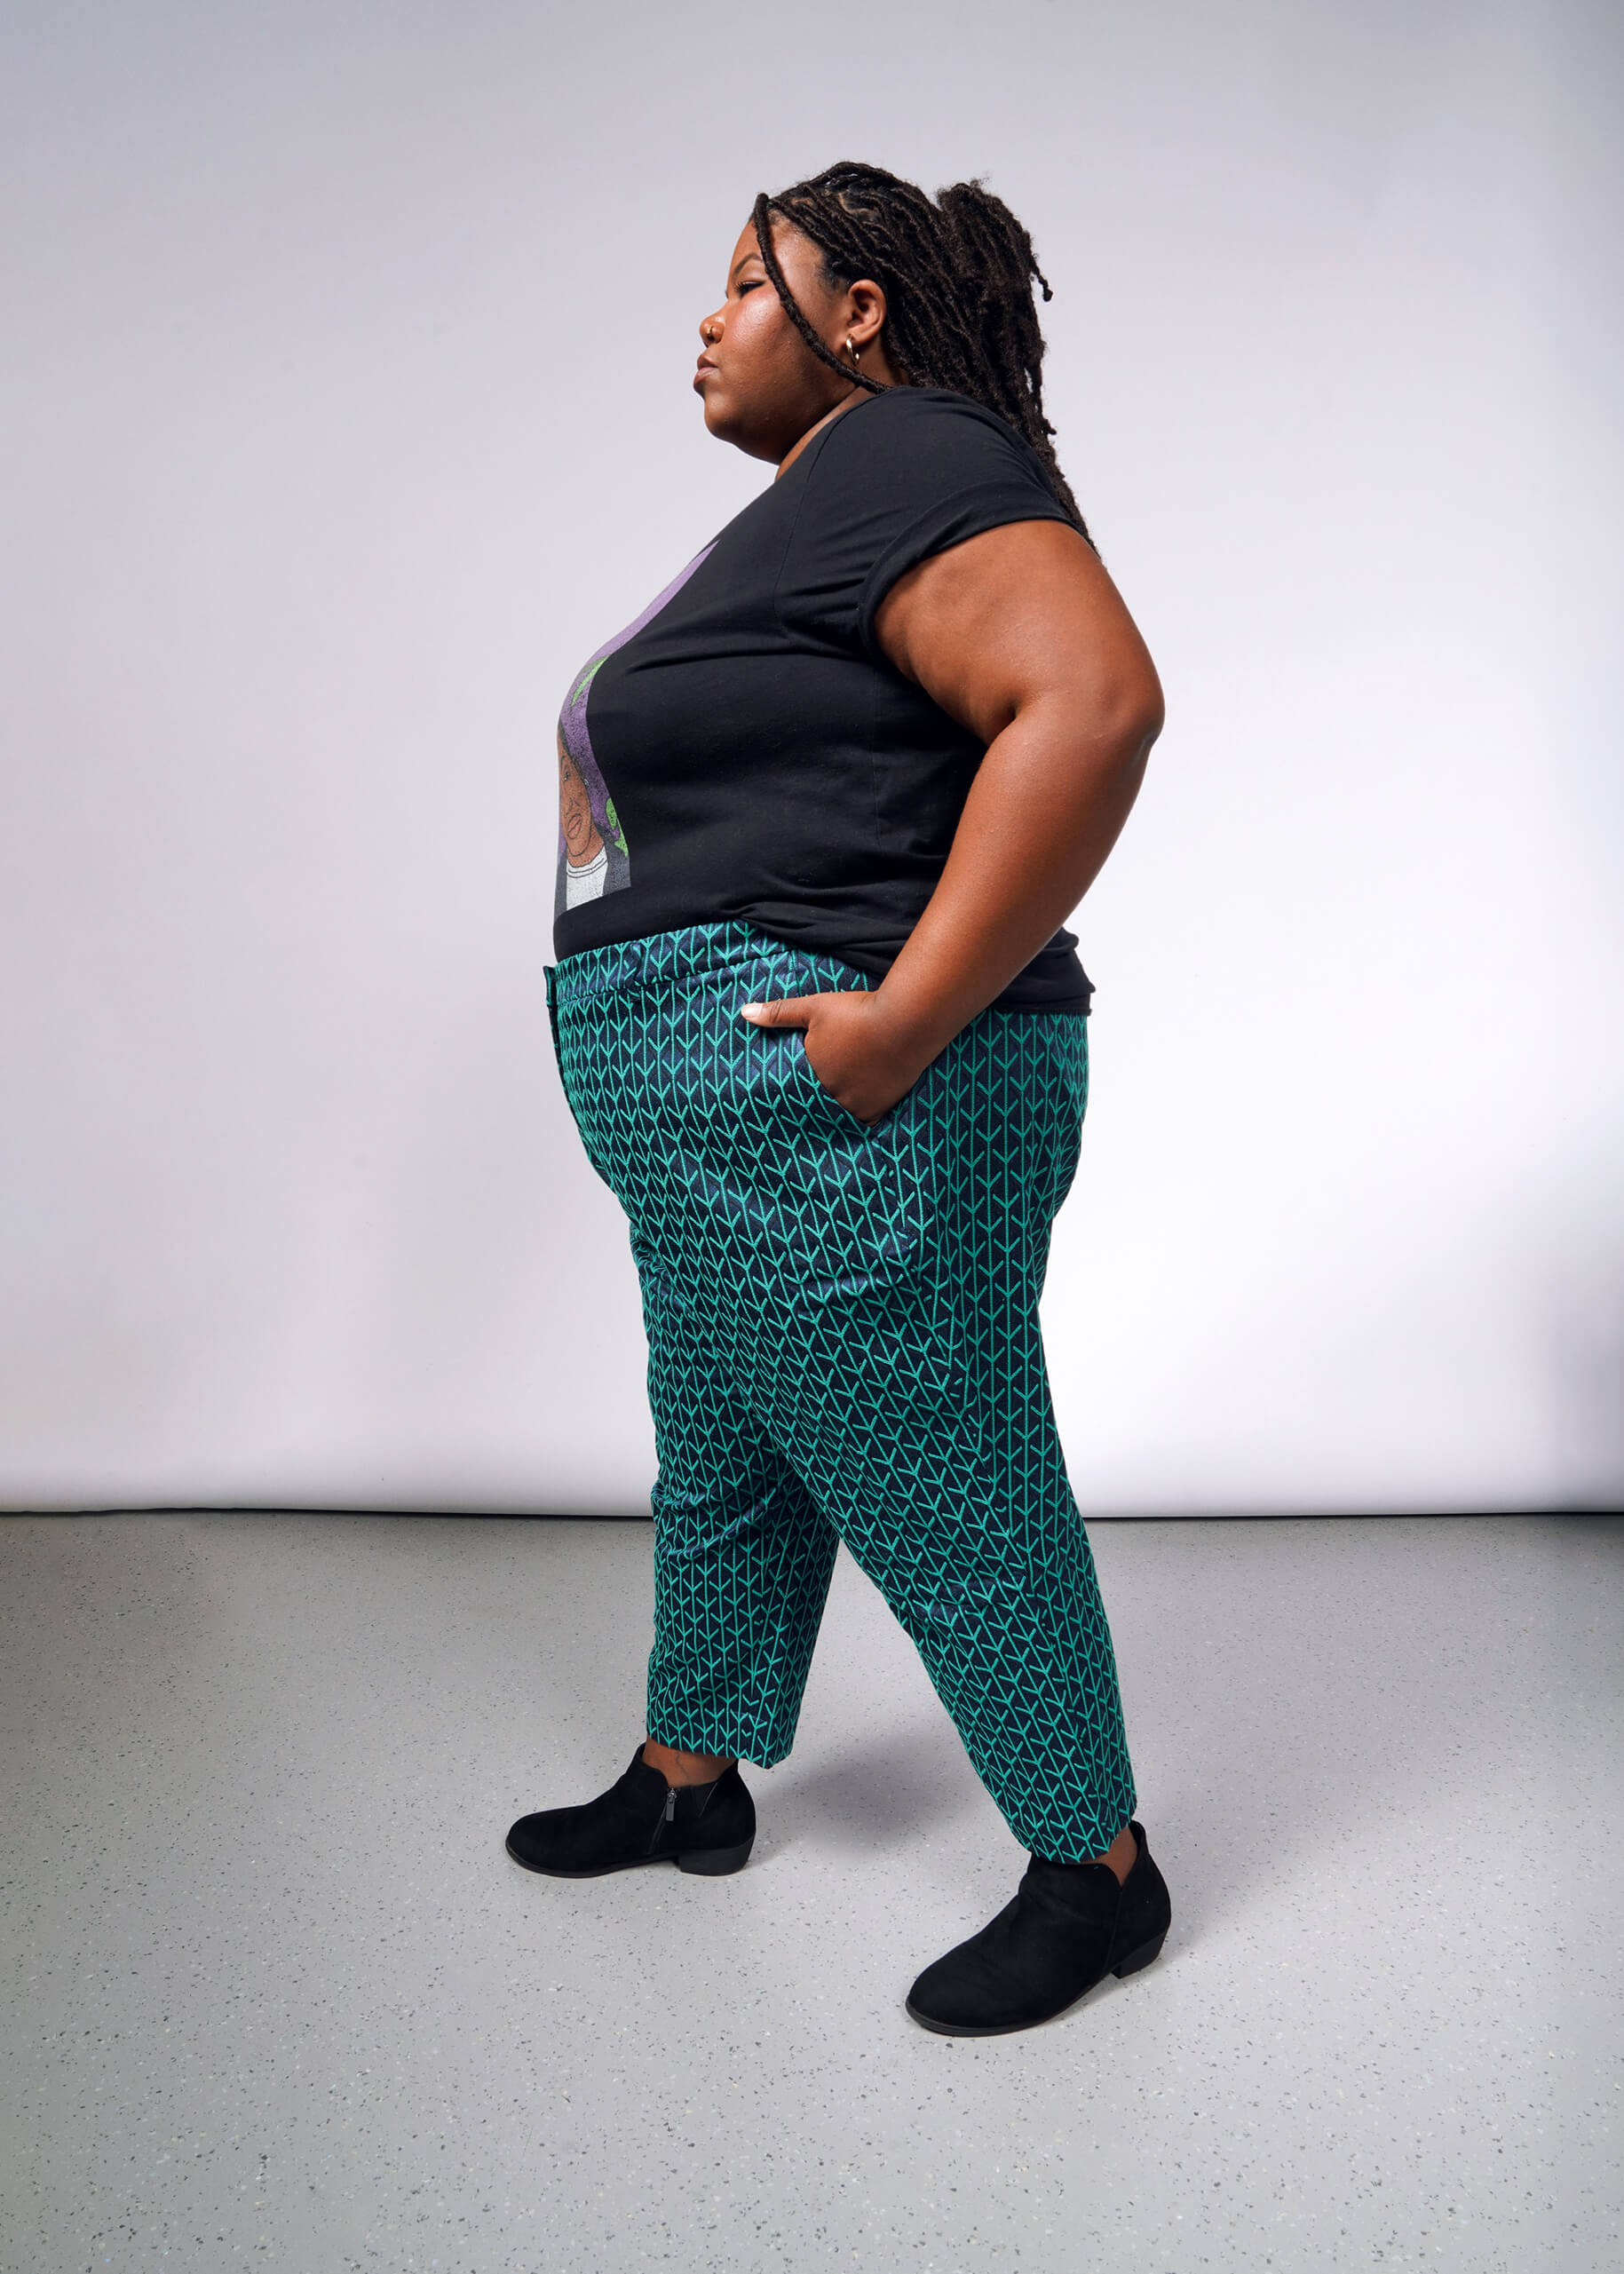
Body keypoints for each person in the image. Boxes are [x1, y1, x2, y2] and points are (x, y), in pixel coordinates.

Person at [507, 162, 1169, 2038]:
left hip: (836, 1099)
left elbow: (1094, 701)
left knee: (946, 1470)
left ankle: (1096, 1872)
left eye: (746, 283)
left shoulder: (916, 450)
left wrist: (898, 1028)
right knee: (720, 1449)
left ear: (858, 310)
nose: (706, 323)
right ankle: (689, 1774)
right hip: (720, 1117)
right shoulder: (826, 508)